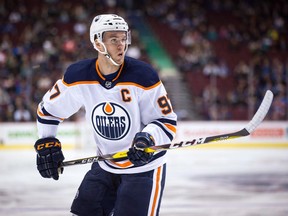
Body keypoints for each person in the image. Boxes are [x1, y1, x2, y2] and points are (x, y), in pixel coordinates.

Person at [34, 14, 177, 216]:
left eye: (123, 38)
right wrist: (47, 142)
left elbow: (166, 121)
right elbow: (49, 111)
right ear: (98, 43)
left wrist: (148, 138)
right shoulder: (78, 76)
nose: (121, 45)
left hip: (144, 169)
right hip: (106, 166)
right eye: (113, 39)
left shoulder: (143, 76)